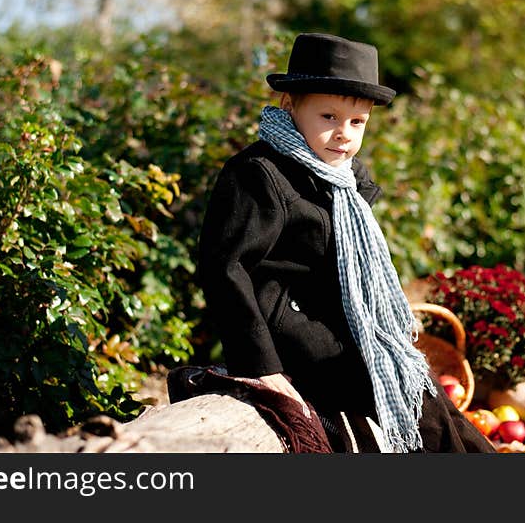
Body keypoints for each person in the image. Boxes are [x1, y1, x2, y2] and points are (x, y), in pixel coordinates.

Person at [197, 32, 494, 453]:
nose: (344, 134)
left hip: (346, 321)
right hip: (292, 327)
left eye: (357, 123)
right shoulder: (259, 174)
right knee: (401, 400)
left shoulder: (348, 178)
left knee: (424, 392)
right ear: (290, 105)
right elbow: (225, 267)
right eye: (328, 117)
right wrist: (261, 366)